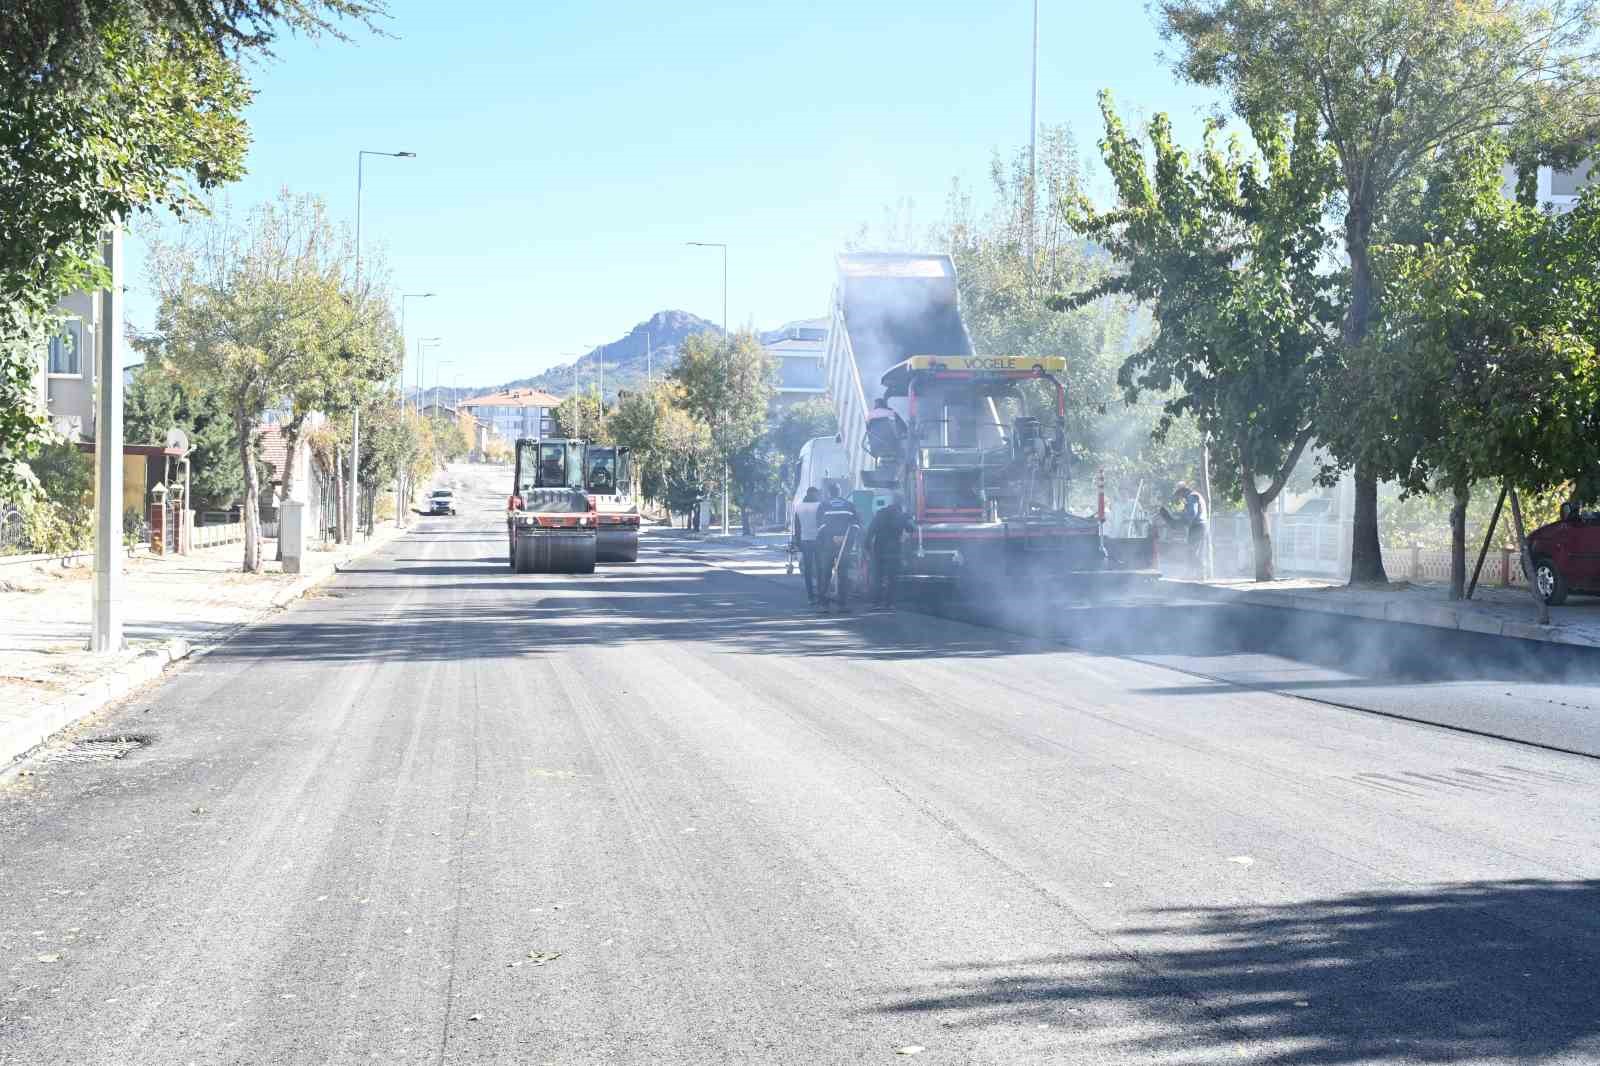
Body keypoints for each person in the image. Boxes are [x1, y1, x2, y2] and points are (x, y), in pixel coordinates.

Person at [815, 480, 859, 612]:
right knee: (843, 573)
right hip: (844, 545)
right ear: (840, 492)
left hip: (828, 544)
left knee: (826, 573)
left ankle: (823, 604)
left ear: (829, 493)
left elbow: (820, 526)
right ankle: (843, 604)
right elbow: (856, 525)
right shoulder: (849, 505)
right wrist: (846, 540)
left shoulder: (824, 505)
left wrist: (832, 537)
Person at [863, 499, 915, 610]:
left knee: (878, 577)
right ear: (901, 505)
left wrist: (867, 546)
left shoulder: (880, 513)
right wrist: (909, 518)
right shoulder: (902, 515)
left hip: (879, 549)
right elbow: (911, 529)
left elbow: (871, 529)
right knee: (892, 578)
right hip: (894, 551)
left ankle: (876, 603)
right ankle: (889, 604)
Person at [1158, 482, 1208, 568]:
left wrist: (1181, 521)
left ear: (1182, 491)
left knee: (1191, 551)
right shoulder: (1193, 496)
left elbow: (1192, 514)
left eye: (1179, 494)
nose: (1180, 497)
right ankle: (1195, 572)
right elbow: (1190, 513)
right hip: (1198, 525)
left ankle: (1201, 571)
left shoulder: (1192, 496)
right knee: (1192, 552)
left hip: (1197, 526)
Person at [792, 486, 822, 604]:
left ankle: (810, 596)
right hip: (818, 541)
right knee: (820, 568)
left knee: (808, 569)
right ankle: (821, 594)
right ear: (815, 494)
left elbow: (797, 527)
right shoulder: (820, 506)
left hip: (805, 541)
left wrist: (798, 542)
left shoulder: (799, 507)